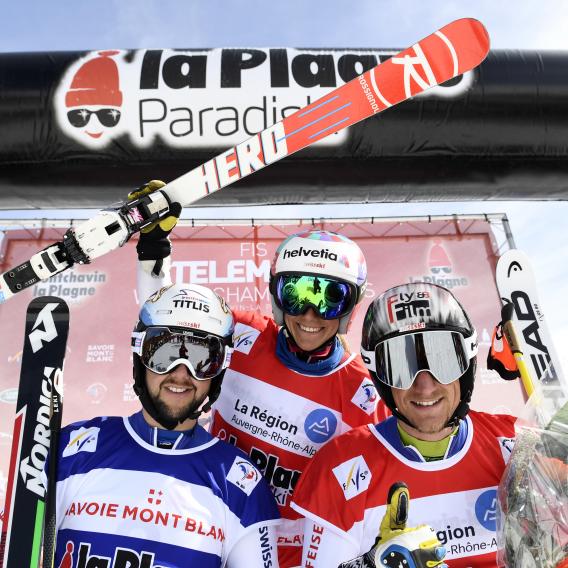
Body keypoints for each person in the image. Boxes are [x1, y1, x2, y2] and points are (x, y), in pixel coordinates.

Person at [134, 182, 387, 567]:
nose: (310, 314)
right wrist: (153, 248)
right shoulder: (246, 334)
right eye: (296, 294)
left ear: (351, 306)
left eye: (330, 297)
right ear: (275, 295)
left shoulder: (363, 396)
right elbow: (171, 320)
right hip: (204, 521)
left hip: (284, 553)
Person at [48, 283, 280, 568]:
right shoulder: (75, 448)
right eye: (164, 354)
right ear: (139, 359)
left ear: (218, 373)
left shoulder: (241, 483)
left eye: (201, 359)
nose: (181, 374)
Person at [290, 282, 517, 567]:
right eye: (400, 365)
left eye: (442, 359)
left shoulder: (516, 446)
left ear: (466, 364)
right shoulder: (339, 466)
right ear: (380, 378)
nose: (424, 386)